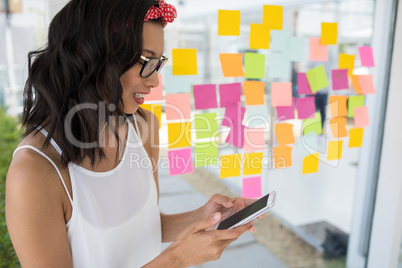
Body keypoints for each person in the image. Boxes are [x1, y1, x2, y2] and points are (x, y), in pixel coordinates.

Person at [5, 0, 262, 267]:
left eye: (158, 63)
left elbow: (143, 225)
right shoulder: (34, 173)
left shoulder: (145, 127)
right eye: (146, 61)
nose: (154, 80)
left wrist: (205, 217)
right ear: (94, 55)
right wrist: (176, 259)